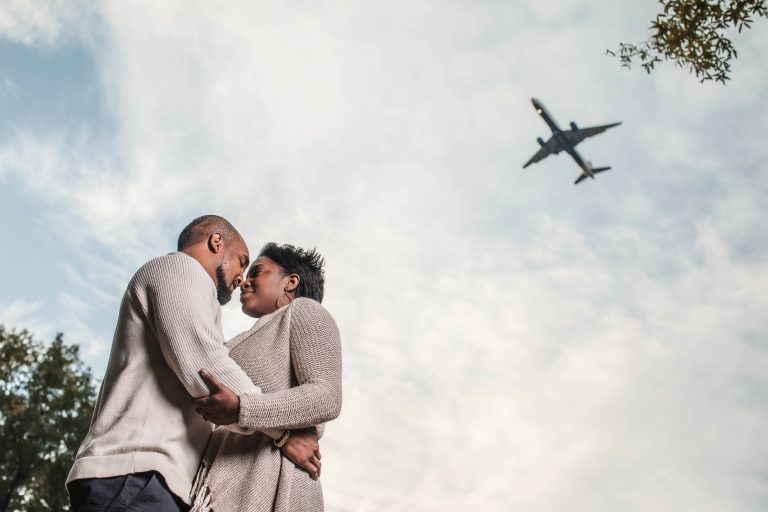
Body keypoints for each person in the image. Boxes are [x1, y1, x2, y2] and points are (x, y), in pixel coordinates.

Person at [66, 216, 319, 512]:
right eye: (241, 261)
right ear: (215, 242)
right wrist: (283, 433)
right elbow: (207, 368)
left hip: (148, 479)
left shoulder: (193, 289)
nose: (241, 277)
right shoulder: (180, 268)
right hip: (135, 473)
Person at [189, 243, 342, 512]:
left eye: (257, 272)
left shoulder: (304, 311)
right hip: (214, 487)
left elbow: (327, 396)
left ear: (291, 282)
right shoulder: (233, 343)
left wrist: (241, 408)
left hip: (275, 484)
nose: (245, 281)